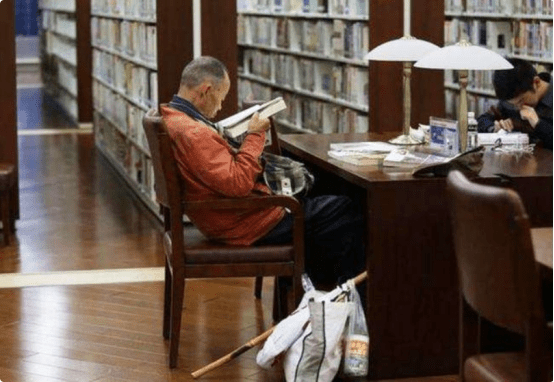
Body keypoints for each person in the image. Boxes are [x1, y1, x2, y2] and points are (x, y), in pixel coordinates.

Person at [160, 56, 365, 288]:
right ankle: (347, 299)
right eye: (221, 97)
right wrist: (255, 134)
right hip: (245, 223)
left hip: (226, 216)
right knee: (347, 210)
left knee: (323, 196)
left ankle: (311, 297)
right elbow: (238, 183)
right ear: (206, 90)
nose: (220, 107)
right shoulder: (194, 133)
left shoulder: (173, 118)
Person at [477, 58, 552, 150]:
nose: (518, 107)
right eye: (513, 104)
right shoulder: (513, 95)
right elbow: (482, 120)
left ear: (536, 82)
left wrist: (537, 123)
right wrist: (494, 128)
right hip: (519, 160)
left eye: (521, 101)